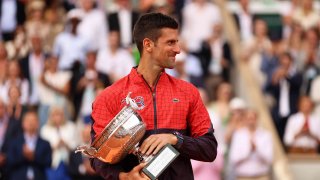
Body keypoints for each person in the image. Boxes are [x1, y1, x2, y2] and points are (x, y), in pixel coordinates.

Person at [90, 12, 218, 180]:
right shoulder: (109, 96)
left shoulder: (188, 92)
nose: (178, 50)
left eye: (177, 42)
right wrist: (124, 176)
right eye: (170, 43)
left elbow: (209, 149)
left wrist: (175, 139)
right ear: (148, 45)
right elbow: (97, 157)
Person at [6, 110, 52, 180]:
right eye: (28, 120)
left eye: (33, 120)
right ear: (23, 123)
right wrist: (23, 155)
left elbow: (48, 163)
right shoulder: (14, 142)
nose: (31, 123)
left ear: (38, 123)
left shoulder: (45, 143)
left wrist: (34, 157)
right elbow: (10, 161)